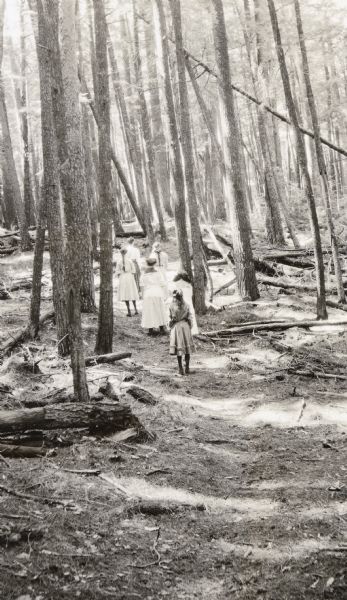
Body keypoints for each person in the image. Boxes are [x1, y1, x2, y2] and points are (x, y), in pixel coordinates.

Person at [169, 289, 194, 375]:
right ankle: (187, 367)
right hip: (185, 326)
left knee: (179, 348)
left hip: (177, 328)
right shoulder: (186, 305)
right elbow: (190, 316)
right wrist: (189, 324)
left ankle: (181, 368)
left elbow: (170, 318)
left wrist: (171, 323)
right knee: (187, 348)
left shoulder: (172, 306)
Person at [141, 257, 168, 335]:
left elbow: (142, 284)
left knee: (150, 310)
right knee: (159, 309)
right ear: (154, 264)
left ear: (147, 264)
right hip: (157, 292)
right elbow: (162, 283)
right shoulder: (158, 272)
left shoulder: (144, 273)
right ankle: (162, 328)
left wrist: (143, 294)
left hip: (148, 293)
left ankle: (151, 329)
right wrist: (164, 292)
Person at [115, 247, 139, 317]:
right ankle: (135, 309)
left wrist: (121, 272)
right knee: (132, 292)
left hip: (123, 277)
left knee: (125, 293)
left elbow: (117, 271)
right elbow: (134, 271)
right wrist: (129, 272)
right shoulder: (130, 260)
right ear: (126, 253)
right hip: (129, 277)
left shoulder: (119, 261)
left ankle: (129, 311)